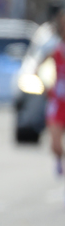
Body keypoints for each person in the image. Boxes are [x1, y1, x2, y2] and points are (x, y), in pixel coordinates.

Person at [45, 11, 65, 176]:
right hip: (58, 102)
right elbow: (40, 69)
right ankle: (59, 158)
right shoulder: (56, 50)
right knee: (55, 145)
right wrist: (45, 86)